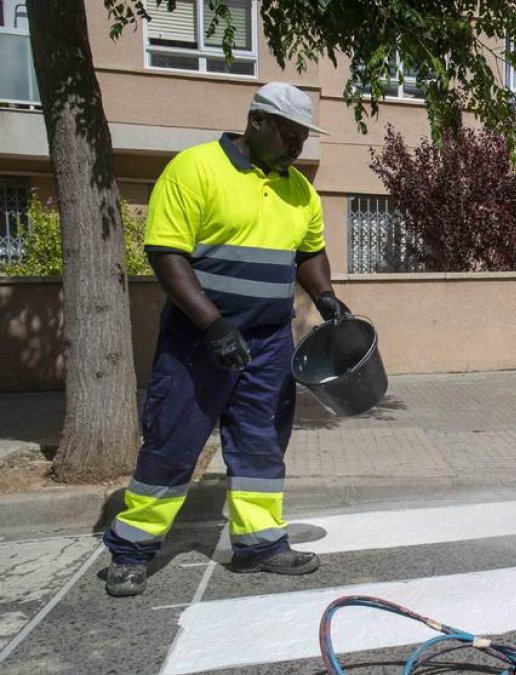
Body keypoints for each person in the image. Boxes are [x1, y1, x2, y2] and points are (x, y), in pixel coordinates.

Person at [102, 82, 352, 597]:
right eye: (288, 132)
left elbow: (309, 251)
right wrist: (213, 325)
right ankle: (131, 551)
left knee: (262, 441)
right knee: (174, 443)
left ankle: (259, 544)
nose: (296, 144)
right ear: (256, 121)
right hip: (198, 340)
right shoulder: (195, 168)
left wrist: (325, 296)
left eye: (303, 135)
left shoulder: (297, 189)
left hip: (269, 341)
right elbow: (167, 254)